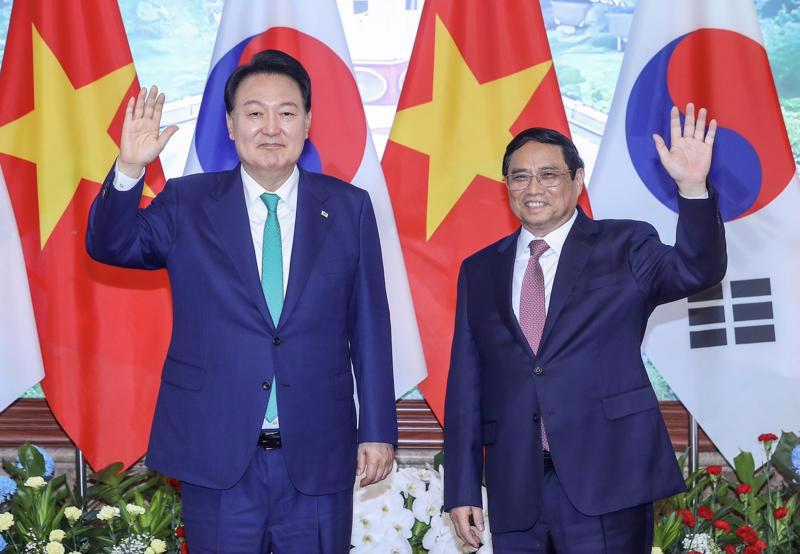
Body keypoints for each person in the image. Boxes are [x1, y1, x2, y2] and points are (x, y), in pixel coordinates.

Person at [86, 50, 396, 553]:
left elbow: (371, 329)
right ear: (231, 125)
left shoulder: (348, 207)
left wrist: (378, 429)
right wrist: (128, 169)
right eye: (254, 113)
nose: (270, 127)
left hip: (318, 455)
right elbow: (110, 245)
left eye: (286, 112)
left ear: (308, 122)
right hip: (217, 454)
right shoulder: (187, 202)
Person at [443, 104, 726, 553]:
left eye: (548, 174)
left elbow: (698, 269)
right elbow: (464, 384)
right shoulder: (479, 269)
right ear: (507, 187)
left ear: (577, 180)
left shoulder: (625, 244)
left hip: (608, 478)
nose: (532, 187)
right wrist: (459, 488)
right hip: (516, 486)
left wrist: (692, 188)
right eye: (519, 176)